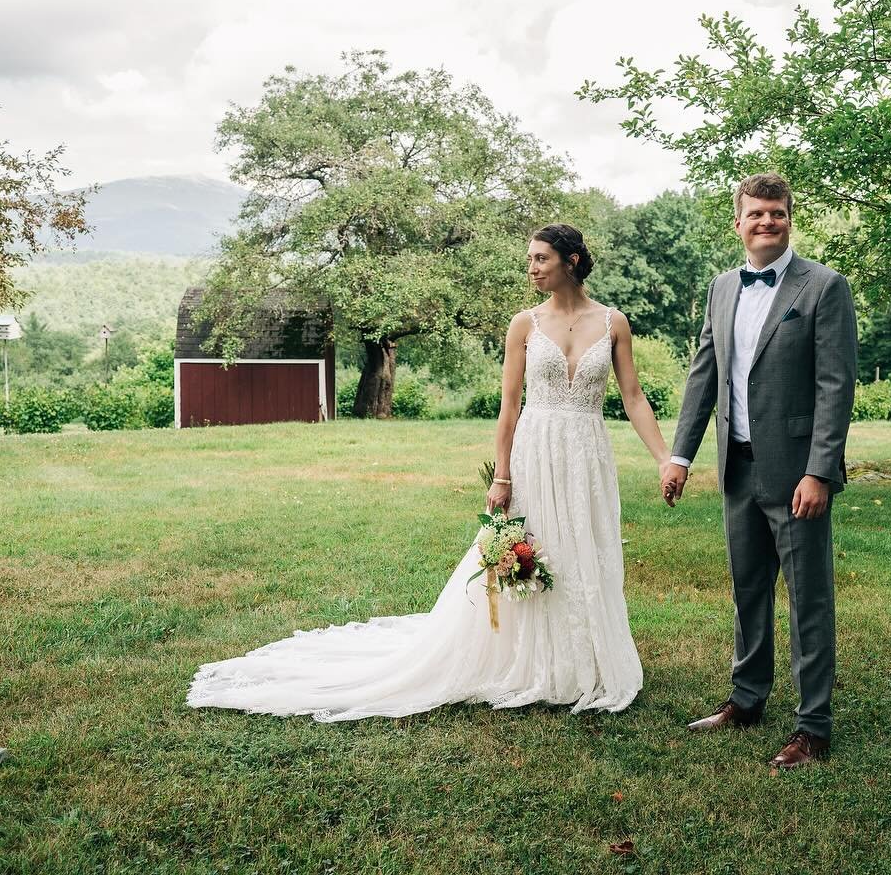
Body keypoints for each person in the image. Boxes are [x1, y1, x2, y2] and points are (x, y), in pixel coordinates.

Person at [188, 223, 670, 720]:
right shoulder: (524, 324)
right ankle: (526, 660)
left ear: (571, 261)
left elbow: (633, 398)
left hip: (587, 452)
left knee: (584, 548)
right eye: (529, 259)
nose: (531, 268)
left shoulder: (613, 322)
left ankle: (583, 660)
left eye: (540, 259)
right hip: (536, 449)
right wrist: (501, 475)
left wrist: (663, 459)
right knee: (536, 544)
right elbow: (509, 407)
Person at [662, 172, 857, 770]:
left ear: (789, 217)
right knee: (748, 591)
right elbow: (704, 376)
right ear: (739, 222)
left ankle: (813, 726)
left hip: (797, 473)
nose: (767, 222)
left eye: (777, 212)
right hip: (737, 469)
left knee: (808, 600)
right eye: (756, 214)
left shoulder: (824, 287)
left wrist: (820, 471)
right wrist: (680, 455)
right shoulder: (722, 288)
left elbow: (835, 384)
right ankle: (747, 700)